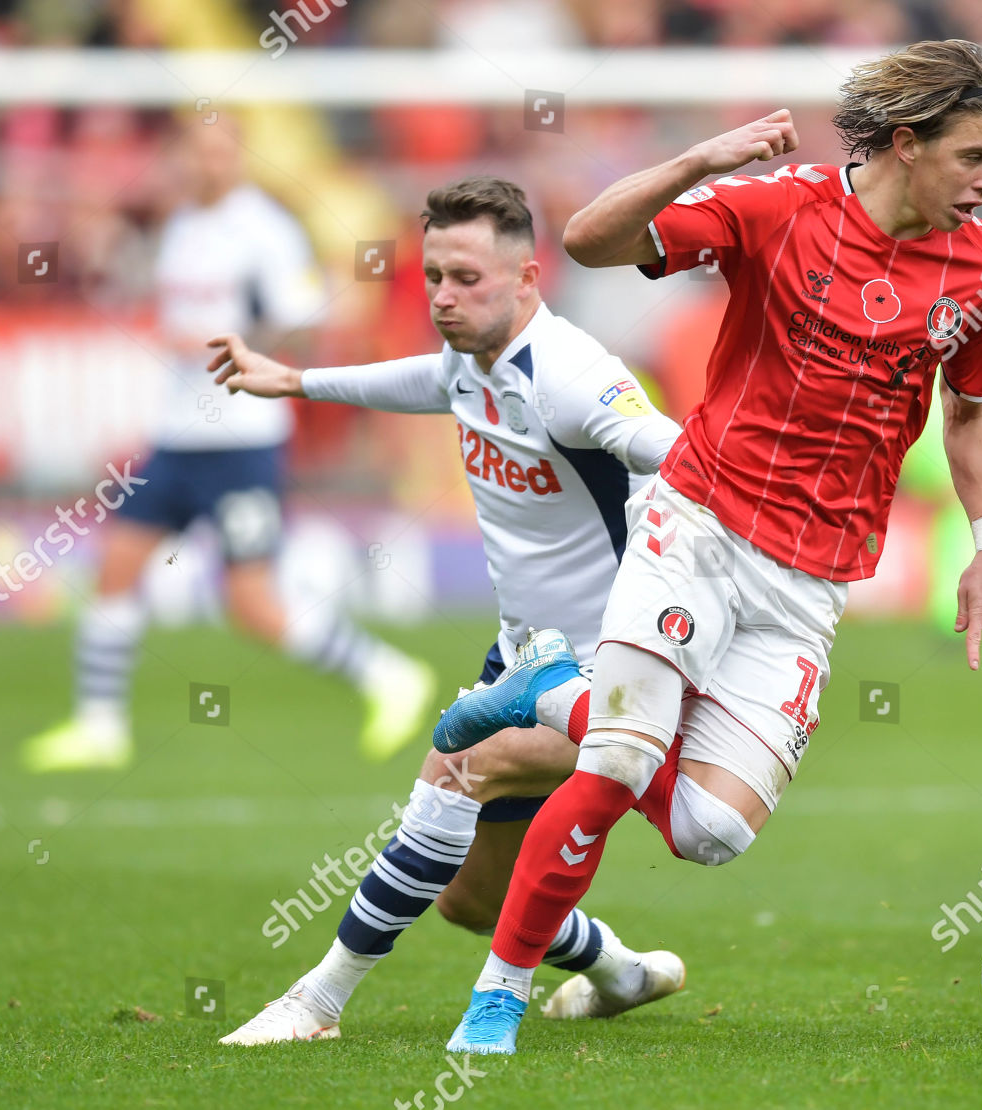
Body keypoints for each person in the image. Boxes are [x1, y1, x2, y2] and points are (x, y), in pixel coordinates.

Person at [435, 38, 982, 1055]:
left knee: (712, 833)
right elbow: (587, 240)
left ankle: (553, 692)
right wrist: (703, 160)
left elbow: (969, 414)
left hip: (812, 580)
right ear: (905, 142)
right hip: (696, 523)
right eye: (974, 156)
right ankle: (495, 1002)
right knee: (618, 761)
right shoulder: (780, 207)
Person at [209, 176, 688, 1044]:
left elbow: (678, 452)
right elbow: (418, 382)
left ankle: (316, 1004)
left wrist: (660, 522)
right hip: (521, 660)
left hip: (611, 671)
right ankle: (620, 972)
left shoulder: (573, 378)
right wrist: (295, 379)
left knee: (456, 767)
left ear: (528, 278)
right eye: (433, 276)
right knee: (469, 901)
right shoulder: (468, 367)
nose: (443, 297)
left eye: (466, 278)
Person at [21, 116, 434, 772]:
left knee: (252, 603)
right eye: (198, 153)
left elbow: (307, 319)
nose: (209, 164)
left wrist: (237, 339)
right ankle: (99, 727)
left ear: (237, 156)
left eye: (220, 153)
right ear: (183, 156)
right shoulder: (181, 226)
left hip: (242, 439)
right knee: (117, 566)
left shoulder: (264, 230)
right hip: (179, 433)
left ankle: (388, 675)